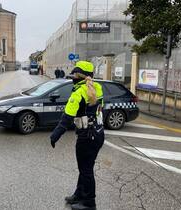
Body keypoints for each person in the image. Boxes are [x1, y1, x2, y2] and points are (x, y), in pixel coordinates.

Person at [50, 61, 104, 210]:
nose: (72, 77)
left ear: (79, 77)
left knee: (86, 170)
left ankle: (89, 203)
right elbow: (99, 108)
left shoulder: (79, 92)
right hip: (98, 134)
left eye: (74, 74)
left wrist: (55, 135)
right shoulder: (97, 88)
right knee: (85, 168)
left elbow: (66, 119)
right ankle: (79, 194)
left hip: (87, 137)